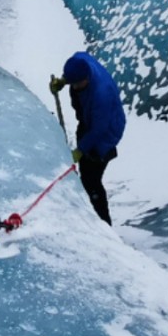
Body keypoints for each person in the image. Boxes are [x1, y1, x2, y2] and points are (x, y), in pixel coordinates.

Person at [49, 50, 125, 224]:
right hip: (89, 120)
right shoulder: (79, 61)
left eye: (77, 84)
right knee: (85, 169)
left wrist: (81, 150)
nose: (74, 88)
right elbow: (75, 69)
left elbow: (99, 129)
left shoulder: (101, 94)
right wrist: (63, 80)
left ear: (87, 79)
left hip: (107, 132)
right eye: (72, 83)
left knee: (91, 179)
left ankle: (103, 222)